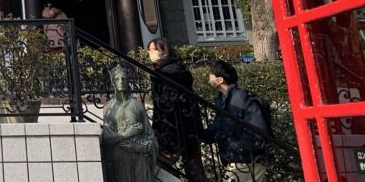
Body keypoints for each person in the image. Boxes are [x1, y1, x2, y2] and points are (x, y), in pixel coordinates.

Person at [146, 38, 206, 182]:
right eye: (150, 50)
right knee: (194, 168)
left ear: (164, 51)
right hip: (188, 127)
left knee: (162, 167)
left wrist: (160, 128)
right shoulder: (176, 70)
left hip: (173, 128)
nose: (151, 53)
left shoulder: (165, 74)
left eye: (154, 50)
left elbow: (166, 104)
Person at [202, 60, 269, 181]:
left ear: (220, 80)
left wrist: (238, 148)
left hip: (246, 161)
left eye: (211, 73)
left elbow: (257, 129)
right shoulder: (222, 99)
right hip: (239, 160)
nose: (208, 77)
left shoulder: (240, 99)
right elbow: (218, 127)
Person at [101, 65, 157, 182]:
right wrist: (127, 134)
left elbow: (151, 137)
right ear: (113, 83)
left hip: (139, 157)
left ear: (127, 81)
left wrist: (138, 147)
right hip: (120, 159)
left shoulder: (137, 106)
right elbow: (106, 139)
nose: (121, 81)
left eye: (123, 78)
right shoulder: (108, 108)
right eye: (117, 79)